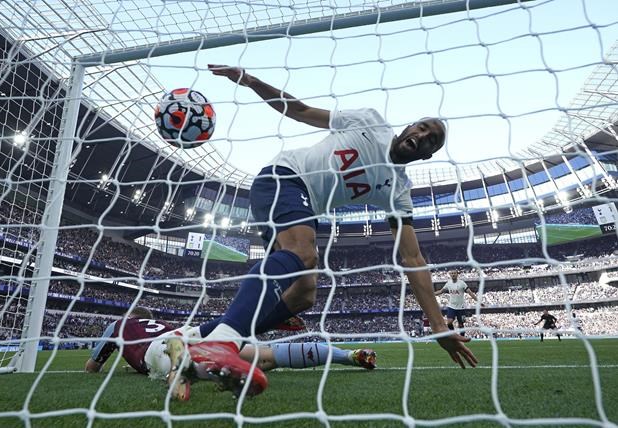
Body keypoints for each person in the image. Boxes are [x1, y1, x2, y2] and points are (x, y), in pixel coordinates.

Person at [178, 64, 478, 399]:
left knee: (303, 294)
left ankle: (190, 338)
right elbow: (300, 111)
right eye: (422, 127)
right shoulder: (370, 121)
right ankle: (224, 341)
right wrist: (251, 81)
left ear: (428, 155)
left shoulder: (398, 191)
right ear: (408, 126)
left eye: (431, 139)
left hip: (306, 207)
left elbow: (413, 258)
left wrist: (438, 326)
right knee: (303, 253)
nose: (422, 135)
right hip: (284, 176)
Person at [85, 307, 377, 401]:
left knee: (176, 367)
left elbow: (92, 367)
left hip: (157, 350)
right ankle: (349, 355)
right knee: (266, 356)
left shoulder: (118, 325)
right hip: (185, 332)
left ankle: (182, 370)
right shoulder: (159, 322)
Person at [434, 270, 484, 335]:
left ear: (457, 274)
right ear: (450, 275)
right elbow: (441, 291)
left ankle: (462, 337)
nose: (453, 274)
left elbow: (470, 293)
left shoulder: (462, 283)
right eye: (452, 273)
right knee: (449, 322)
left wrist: (478, 301)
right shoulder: (448, 283)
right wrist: (431, 294)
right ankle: (453, 334)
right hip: (451, 306)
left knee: (461, 324)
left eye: (454, 273)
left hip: (461, 307)